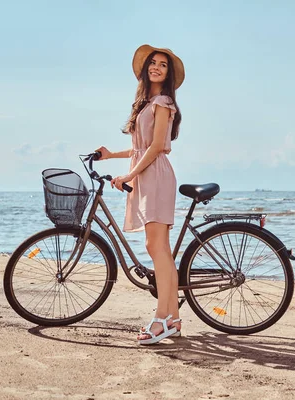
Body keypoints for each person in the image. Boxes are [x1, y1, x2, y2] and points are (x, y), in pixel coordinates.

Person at [96, 44, 185, 345]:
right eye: (153, 63)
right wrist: (110, 156)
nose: (157, 67)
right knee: (161, 250)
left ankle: (161, 319)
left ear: (168, 74)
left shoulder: (163, 101)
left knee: (156, 247)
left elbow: (157, 146)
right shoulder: (146, 102)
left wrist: (130, 175)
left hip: (156, 176)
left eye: (163, 65)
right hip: (147, 174)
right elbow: (139, 149)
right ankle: (173, 318)